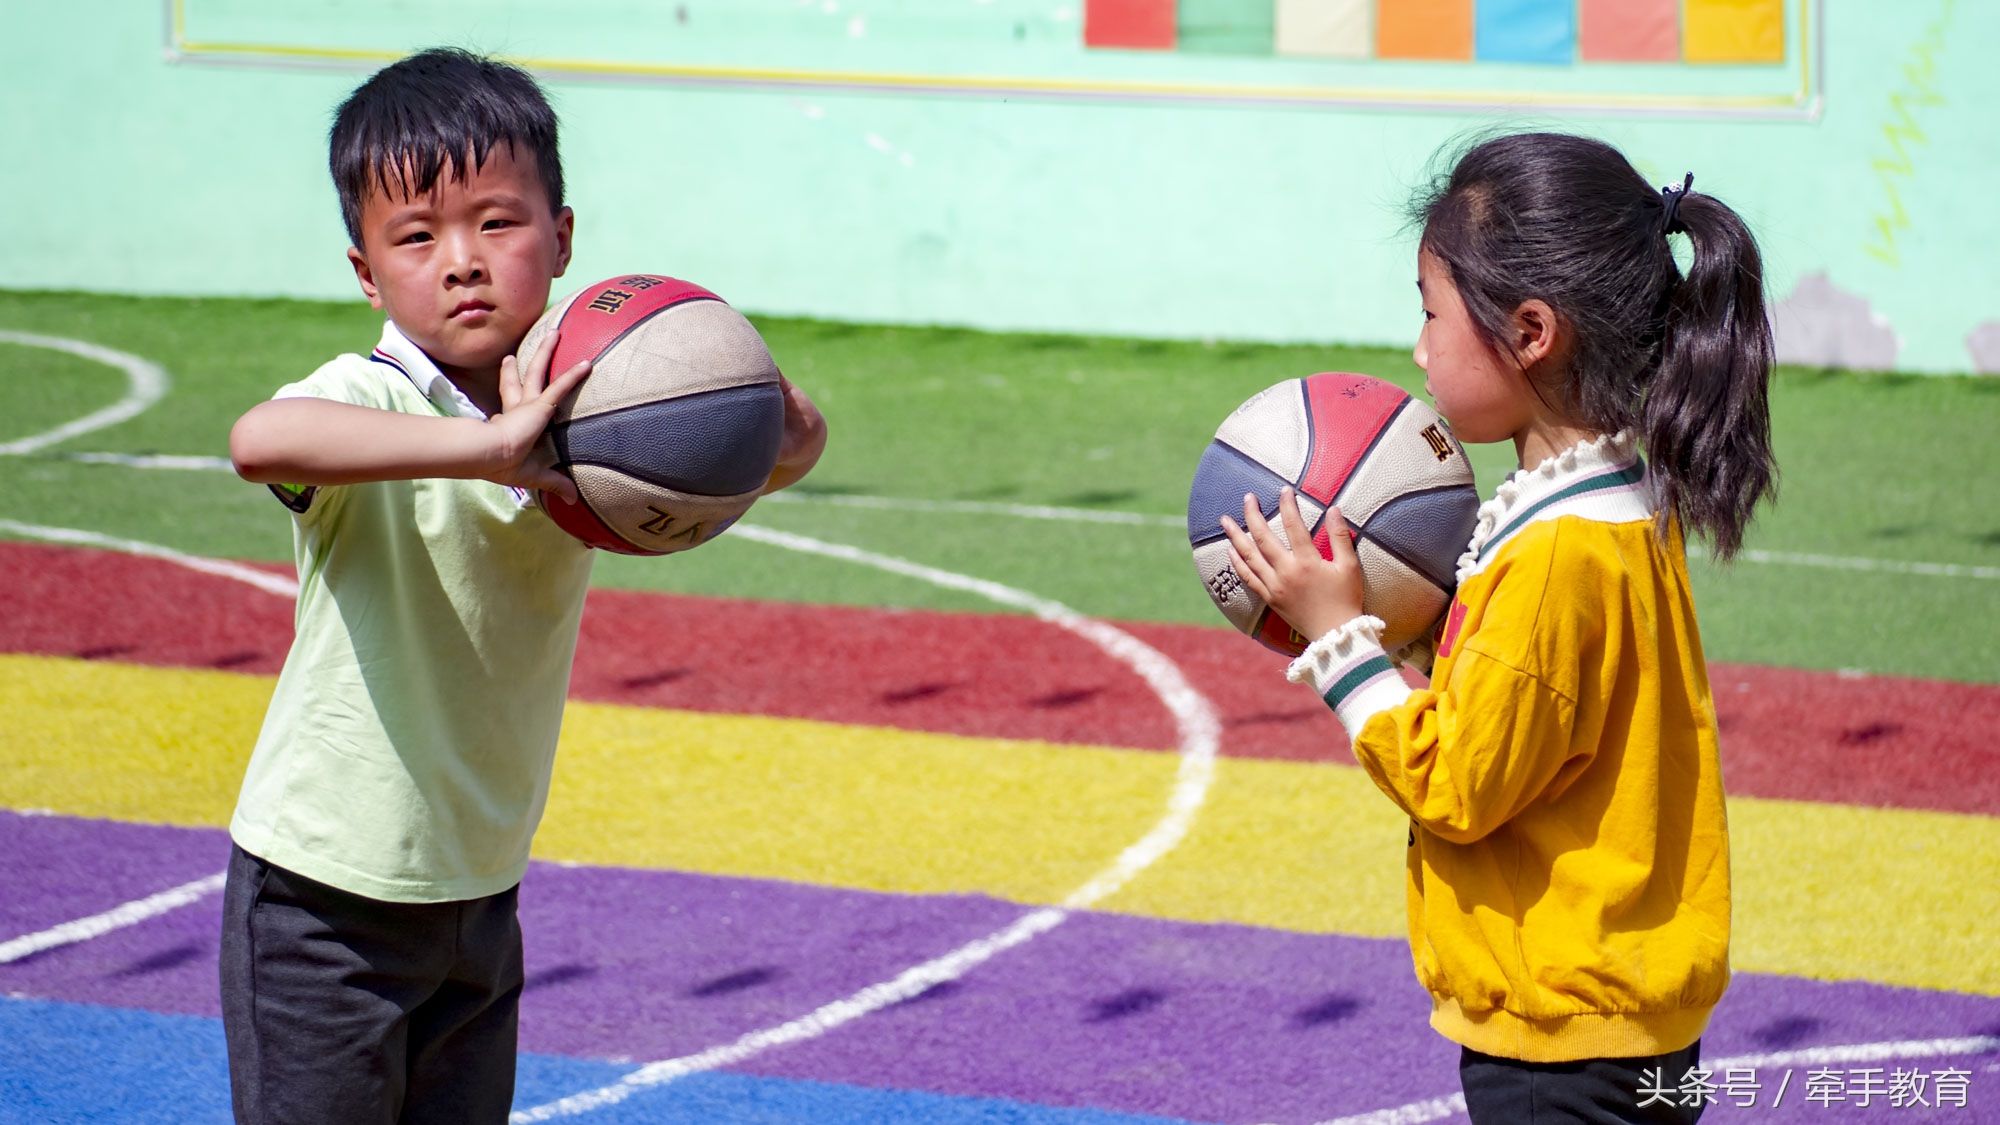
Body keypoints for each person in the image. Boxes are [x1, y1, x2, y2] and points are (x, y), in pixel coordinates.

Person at [221, 47, 827, 1123]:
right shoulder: (372, 398)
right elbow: (260, 440)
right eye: (416, 237)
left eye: (496, 223)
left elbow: (781, 453)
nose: (461, 261)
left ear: (563, 239)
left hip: (479, 889)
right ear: (366, 273)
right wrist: (488, 450)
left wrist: (775, 421)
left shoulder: (597, 408)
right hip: (323, 899)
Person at [1222, 132, 1774, 1123]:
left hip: (1562, 1042)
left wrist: (1338, 641)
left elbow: (1458, 783)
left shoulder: (1556, 553)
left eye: (1429, 312)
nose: (1417, 347)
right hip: (1616, 1008)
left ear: (1529, 331)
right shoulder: (1608, 495)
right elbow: (1537, 716)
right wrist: (1408, 630)